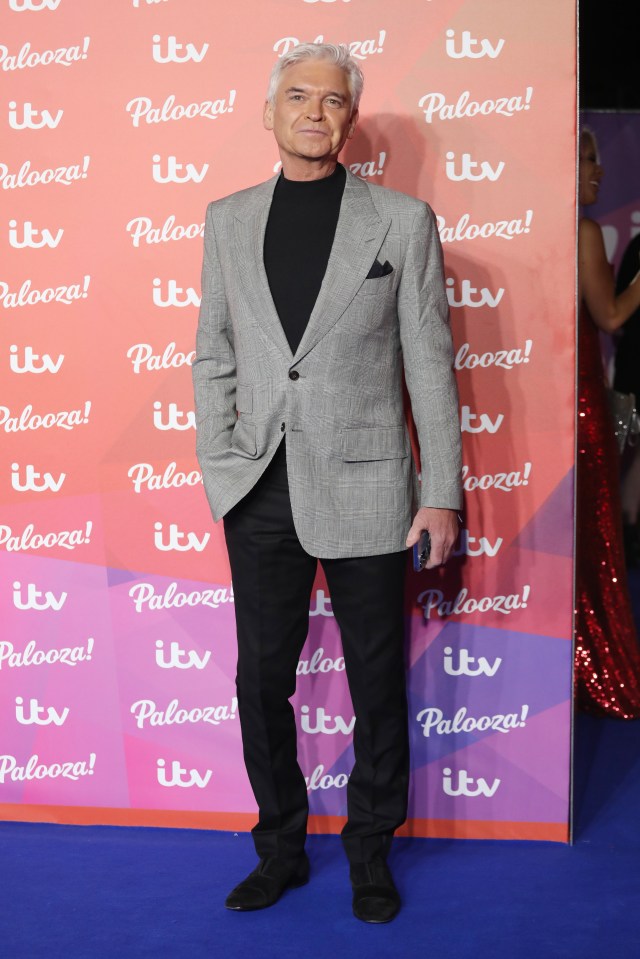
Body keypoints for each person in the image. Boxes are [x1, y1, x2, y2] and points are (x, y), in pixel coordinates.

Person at [193, 43, 462, 922]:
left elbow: (430, 366)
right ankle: (280, 846)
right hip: (259, 484)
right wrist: (224, 464)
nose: (316, 111)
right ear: (269, 112)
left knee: (376, 681)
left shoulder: (402, 221)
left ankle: (371, 848)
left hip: (370, 487)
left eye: (334, 100)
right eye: (299, 96)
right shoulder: (226, 220)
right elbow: (215, 355)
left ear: (352, 120)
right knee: (257, 680)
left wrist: (442, 491)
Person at [575, 127, 640, 718]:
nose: (599, 172)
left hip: (551, 406)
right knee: (592, 541)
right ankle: (597, 671)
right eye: (589, 160)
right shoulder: (583, 231)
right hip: (583, 404)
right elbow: (611, 314)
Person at [613, 233, 640, 566]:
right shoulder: (637, 248)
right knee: (630, 450)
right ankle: (627, 530)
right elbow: (613, 317)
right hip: (635, 368)